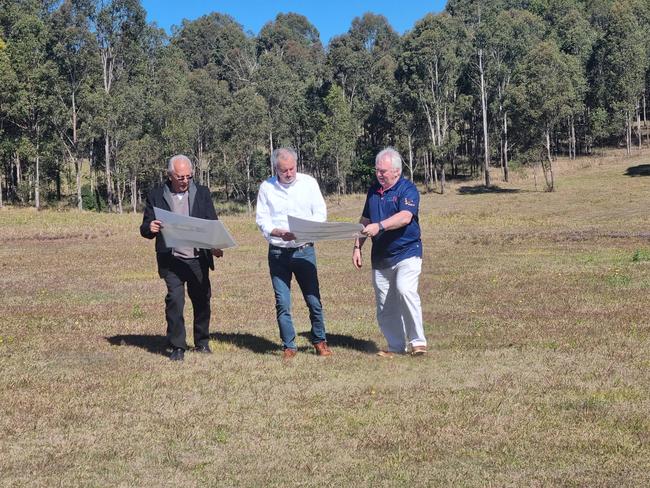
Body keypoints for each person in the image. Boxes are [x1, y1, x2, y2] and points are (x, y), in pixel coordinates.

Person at [140, 155, 223, 361]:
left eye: (188, 176)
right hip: (172, 259)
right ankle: (178, 346)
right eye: (180, 177)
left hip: (197, 258)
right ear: (170, 175)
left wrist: (215, 246)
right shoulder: (156, 195)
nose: (185, 181)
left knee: (202, 300)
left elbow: (212, 223)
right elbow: (145, 227)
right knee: (175, 301)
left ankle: (202, 342)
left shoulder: (202, 193)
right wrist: (150, 228)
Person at [255, 147, 333, 359]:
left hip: (304, 250)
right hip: (278, 253)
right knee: (282, 301)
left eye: (292, 169)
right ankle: (289, 346)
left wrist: (304, 230)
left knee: (313, 299)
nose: (289, 173)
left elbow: (320, 213)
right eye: (284, 171)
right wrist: (276, 231)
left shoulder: (309, 183)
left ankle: (319, 341)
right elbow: (262, 219)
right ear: (276, 169)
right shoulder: (266, 188)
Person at [352, 147, 427, 357]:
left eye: (383, 171)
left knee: (405, 290)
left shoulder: (407, 189)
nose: (379, 174)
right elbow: (366, 220)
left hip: (407, 251)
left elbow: (405, 217)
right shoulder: (373, 190)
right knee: (385, 304)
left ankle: (418, 342)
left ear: (396, 171)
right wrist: (357, 246)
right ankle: (396, 346)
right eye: (377, 170)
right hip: (381, 256)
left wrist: (380, 226)